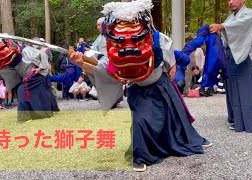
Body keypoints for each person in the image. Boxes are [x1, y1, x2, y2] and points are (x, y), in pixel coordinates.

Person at [70, 0, 211, 172]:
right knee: (140, 122)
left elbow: (170, 61)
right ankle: (142, 154)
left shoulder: (158, 38)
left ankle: (185, 140)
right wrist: (82, 64)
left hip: (160, 86)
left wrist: (171, 67)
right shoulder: (115, 41)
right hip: (138, 89)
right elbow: (104, 68)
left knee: (175, 121)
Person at [210, 0, 252, 133]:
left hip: (245, 55)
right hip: (231, 55)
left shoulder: (251, 15)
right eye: (229, 0)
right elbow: (228, 31)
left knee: (247, 87)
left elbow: (238, 26)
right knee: (232, 87)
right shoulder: (230, 18)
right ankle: (237, 120)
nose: (231, 2)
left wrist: (222, 26)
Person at [0, 38, 59, 123]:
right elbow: (1, 71)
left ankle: (25, 117)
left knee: (23, 91)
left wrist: (40, 68)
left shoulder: (26, 51)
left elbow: (43, 55)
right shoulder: (7, 63)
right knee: (43, 92)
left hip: (40, 73)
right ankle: (47, 110)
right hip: (30, 77)